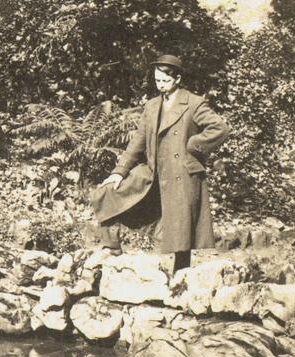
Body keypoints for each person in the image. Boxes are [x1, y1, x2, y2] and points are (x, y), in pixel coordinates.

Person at [98, 54, 229, 269]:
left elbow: (220, 128)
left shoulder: (194, 103)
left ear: (177, 79)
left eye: (165, 81)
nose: (160, 85)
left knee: (182, 229)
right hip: (155, 172)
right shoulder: (151, 106)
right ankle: (112, 248)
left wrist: (193, 145)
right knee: (109, 192)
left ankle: (181, 275)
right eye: (157, 80)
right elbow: (137, 142)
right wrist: (119, 172)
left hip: (182, 173)